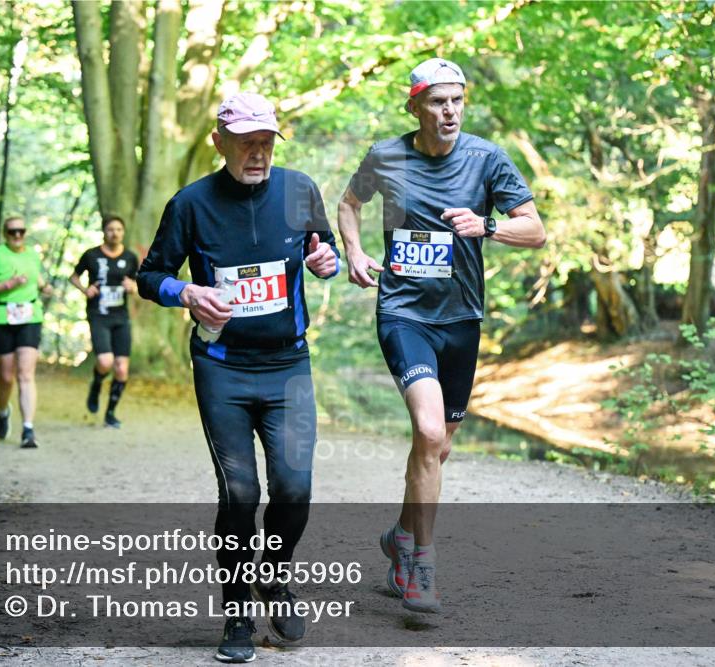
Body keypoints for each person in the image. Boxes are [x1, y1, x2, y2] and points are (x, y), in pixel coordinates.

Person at [337, 58, 546, 614]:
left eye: (456, 100)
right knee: (429, 430)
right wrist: (354, 252)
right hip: (403, 312)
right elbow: (349, 204)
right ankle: (421, 568)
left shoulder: (486, 158)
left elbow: (535, 230)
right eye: (437, 101)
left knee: (440, 444)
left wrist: (488, 225)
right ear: (415, 107)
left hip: (461, 318)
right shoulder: (386, 156)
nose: (449, 111)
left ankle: (401, 536)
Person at [138, 92, 340, 663]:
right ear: (219, 142)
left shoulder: (299, 190)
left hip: (288, 366)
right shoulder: (191, 204)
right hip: (222, 367)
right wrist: (187, 292)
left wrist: (326, 262)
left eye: (266, 142)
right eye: (246, 142)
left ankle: (272, 577)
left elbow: (322, 250)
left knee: (294, 490)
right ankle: (236, 615)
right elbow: (150, 276)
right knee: (241, 493)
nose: (258, 153)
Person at [0, 216, 53, 448]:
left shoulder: (32, 254)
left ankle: (28, 429)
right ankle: (3, 411)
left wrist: (44, 287)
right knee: (6, 377)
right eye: (12, 232)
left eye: (21, 231)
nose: (17, 235)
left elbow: (36, 277)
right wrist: (7, 284)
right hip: (2, 318)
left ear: (25, 232)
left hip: (30, 317)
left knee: (25, 374)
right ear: (5, 234)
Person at [69, 215, 138, 428]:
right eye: (110, 229)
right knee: (106, 362)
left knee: (122, 369)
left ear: (123, 232)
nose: (114, 233)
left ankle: (110, 413)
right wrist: (85, 290)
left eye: (118, 229)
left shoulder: (130, 257)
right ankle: (97, 384)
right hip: (98, 315)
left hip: (121, 317)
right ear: (104, 232)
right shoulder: (91, 255)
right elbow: (73, 277)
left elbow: (138, 284)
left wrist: (133, 287)